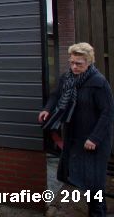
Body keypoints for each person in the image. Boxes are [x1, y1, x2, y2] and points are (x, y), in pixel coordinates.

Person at [39, 42, 114, 217]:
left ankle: (98, 214)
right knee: (82, 179)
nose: (74, 66)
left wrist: (95, 138)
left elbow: (108, 113)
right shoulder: (67, 78)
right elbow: (56, 95)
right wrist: (47, 109)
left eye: (78, 63)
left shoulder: (98, 83)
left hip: (94, 142)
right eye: (72, 62)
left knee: (95, 185)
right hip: (75, 138)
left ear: (89, 62)